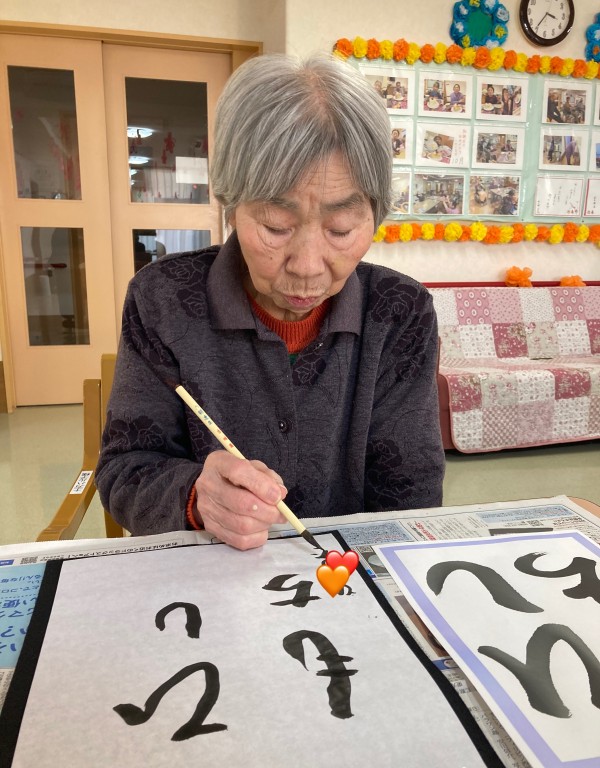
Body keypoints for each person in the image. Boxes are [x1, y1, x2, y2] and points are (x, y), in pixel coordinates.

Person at [96, 53, 445, 548]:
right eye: (276, 226)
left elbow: (410, 498)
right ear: (231, 206)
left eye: (341, 229)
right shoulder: (163, 301)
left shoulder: (399, 312)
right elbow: (124, 471)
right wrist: (196, 496)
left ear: (375, 215)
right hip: (206, 577)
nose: (307, 266)